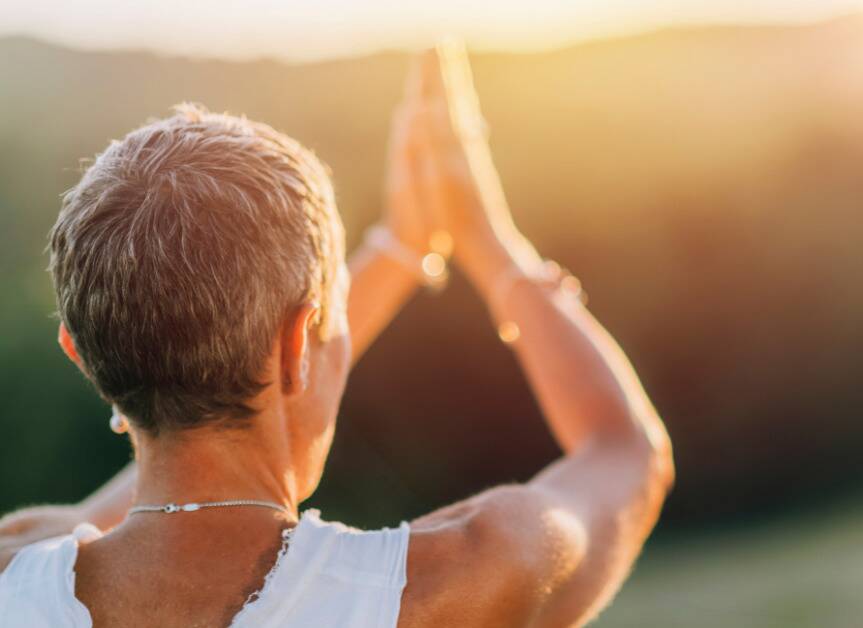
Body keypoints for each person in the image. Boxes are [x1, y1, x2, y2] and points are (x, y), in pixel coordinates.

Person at [0, 43, 673, 627]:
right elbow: (626, 454)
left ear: (84, 359)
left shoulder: (14, 573)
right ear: (299, 345)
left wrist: (399, 251)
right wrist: (490, 243)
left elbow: (152, 494)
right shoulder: (452, 583)